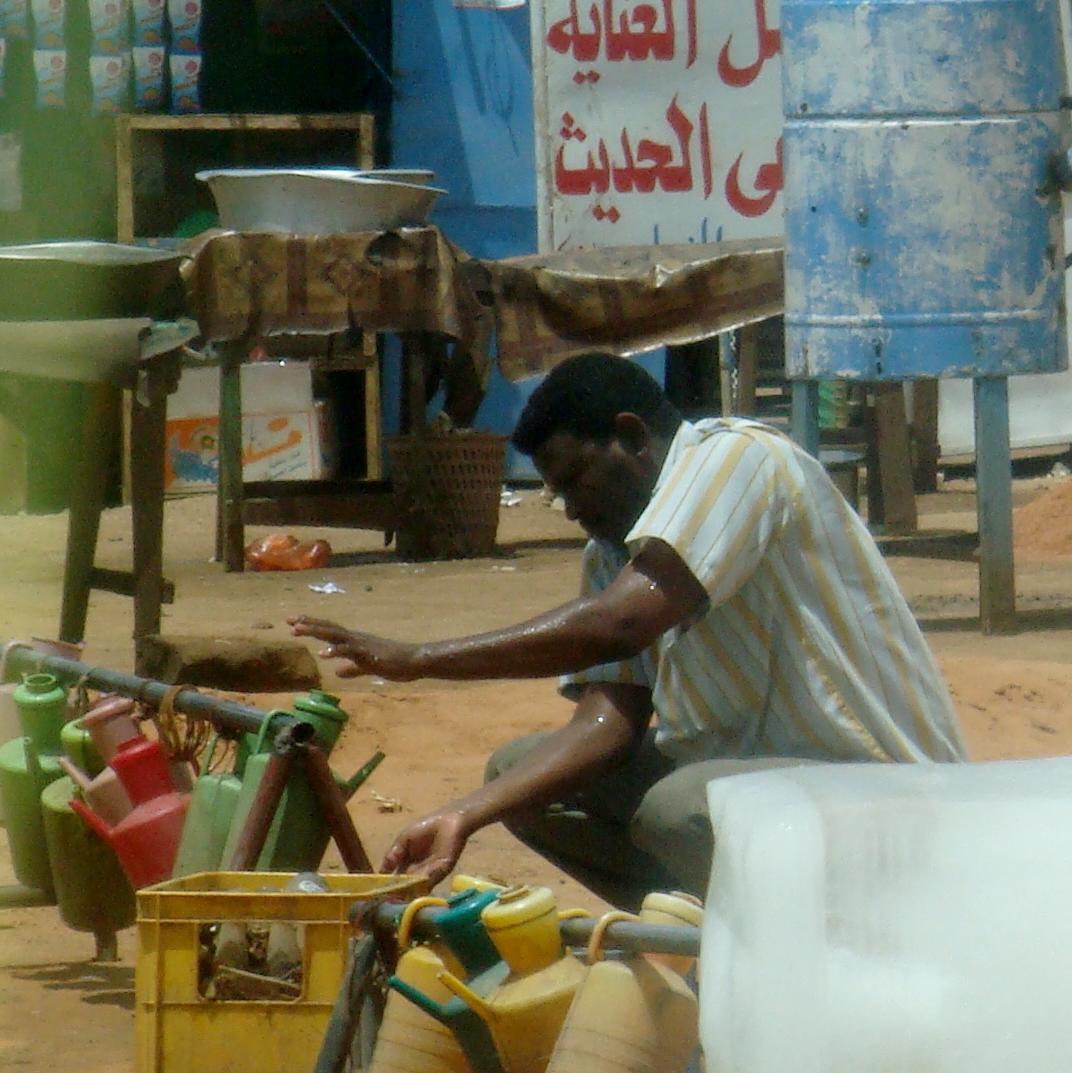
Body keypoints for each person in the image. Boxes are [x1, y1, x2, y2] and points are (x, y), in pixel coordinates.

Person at [293, 353, 964, 904]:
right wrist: (465, 814)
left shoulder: (739, 460)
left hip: (877, 787)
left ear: (634, 436)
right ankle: (709, 933)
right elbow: (608, 723)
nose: (569, 509)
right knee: (518, 778)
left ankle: (786, 954)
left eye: (575, 479)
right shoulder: (611, 552)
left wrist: (416, 658)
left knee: (679, 809)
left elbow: (621, 625)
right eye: (556, 492)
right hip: (755, 792)